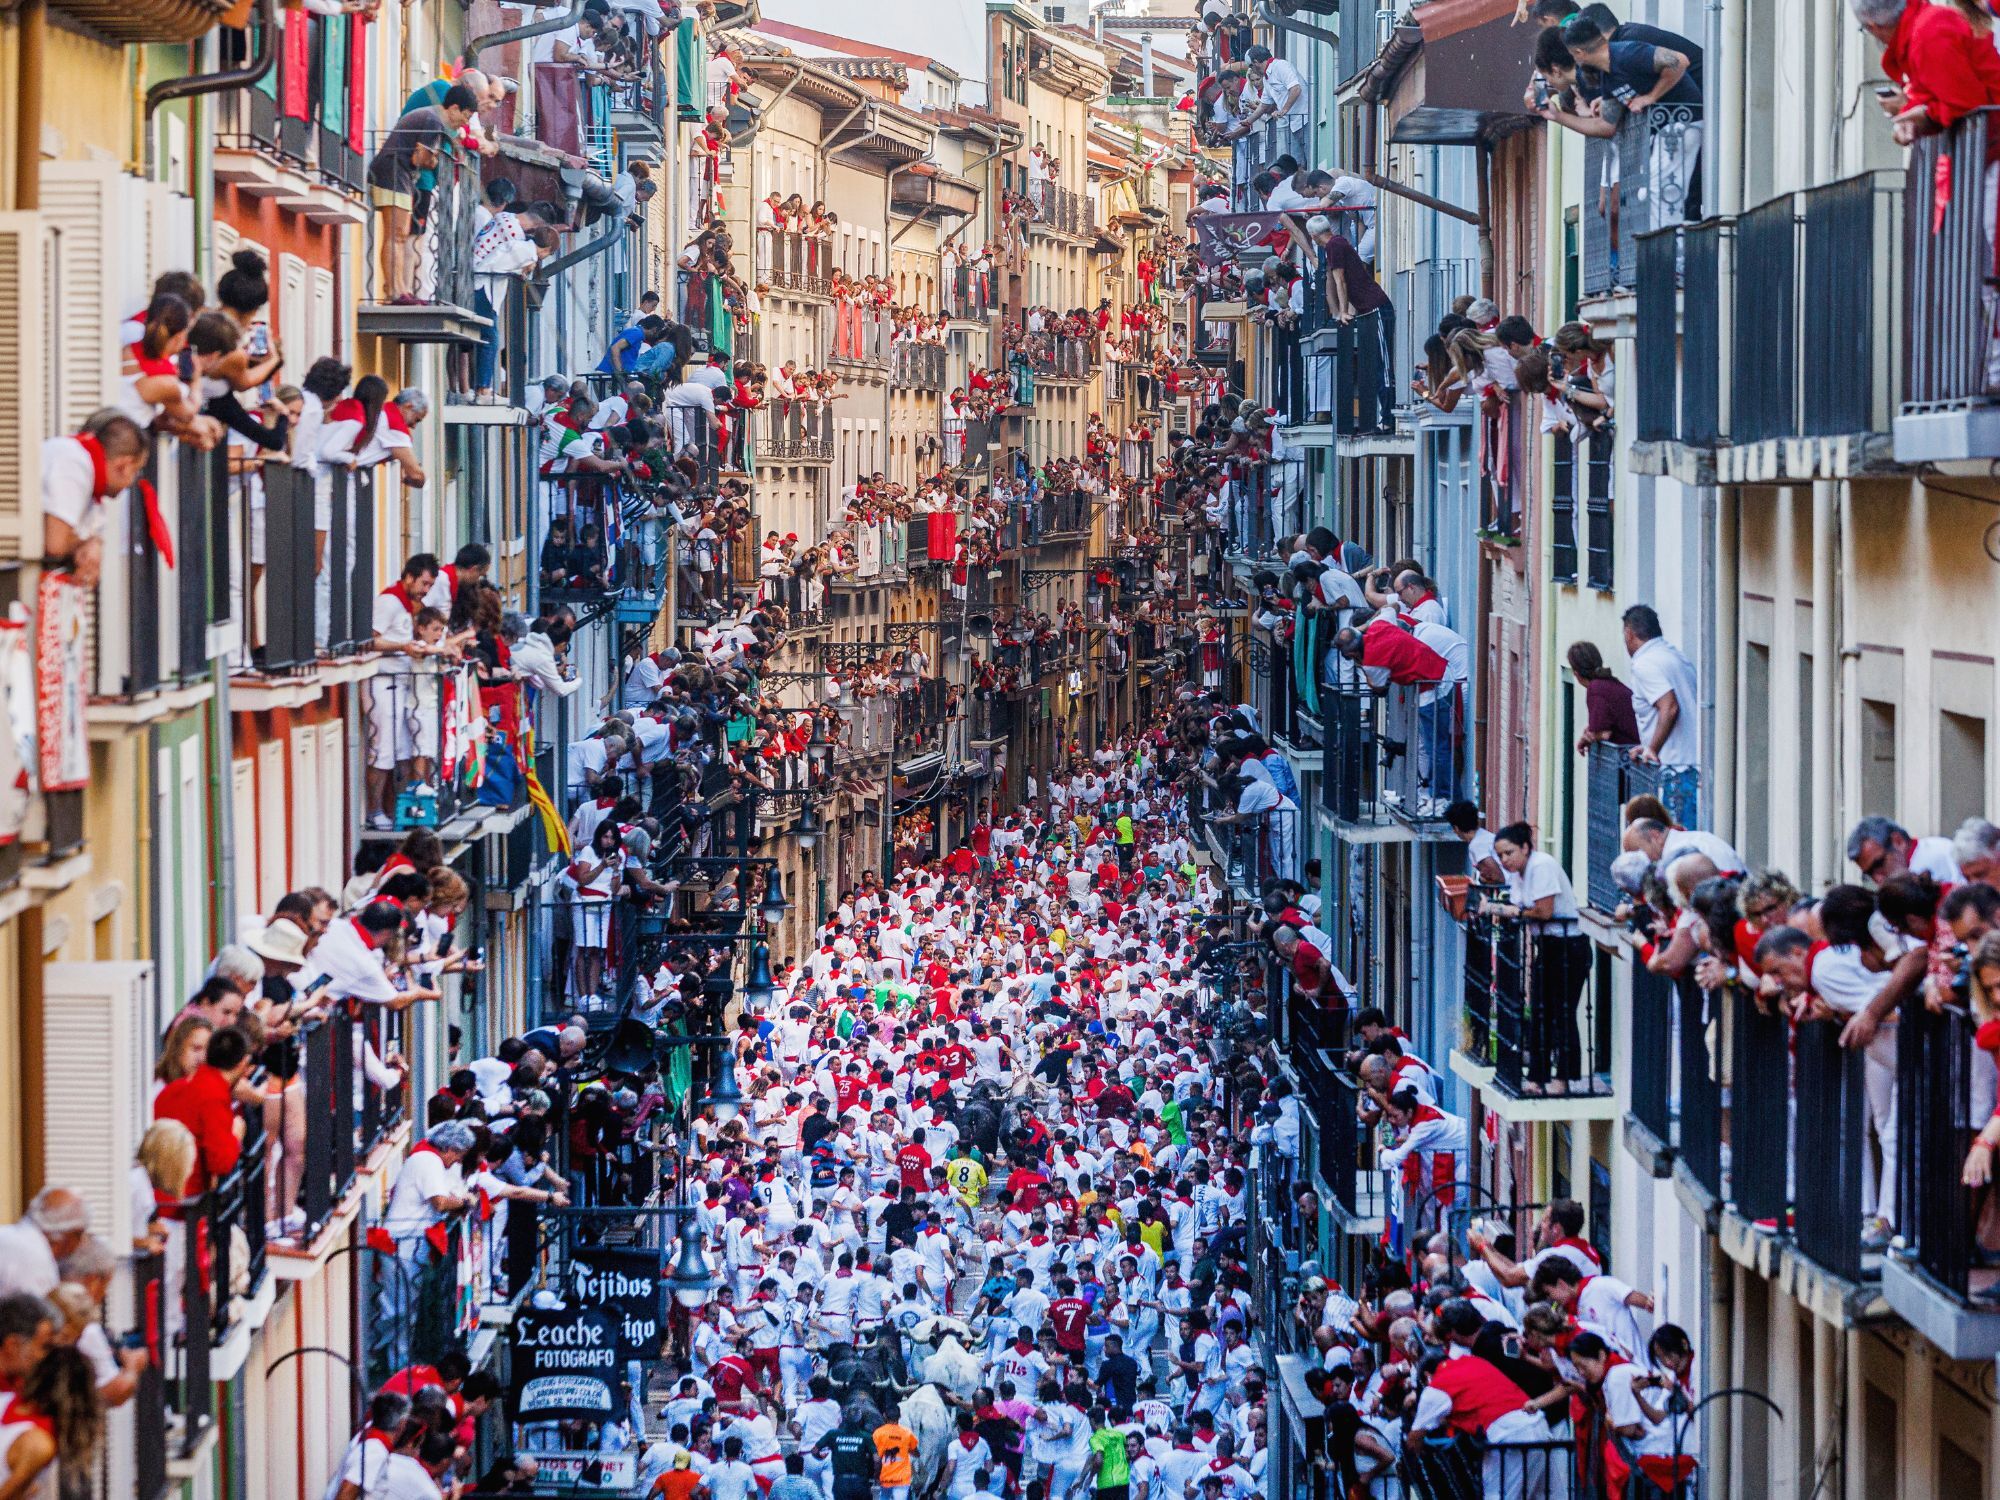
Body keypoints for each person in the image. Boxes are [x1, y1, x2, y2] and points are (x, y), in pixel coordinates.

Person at [1480, 823, 1592, 1090]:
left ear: (1526, 848)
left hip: (1569, 947)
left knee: (1562, 1012)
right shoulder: (1519, 874)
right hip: (1549, 946)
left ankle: (1563, 1079)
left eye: (1509, 853)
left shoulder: (1541, 866)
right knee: (1540, 1011)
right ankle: (1536, 1077)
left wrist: (1502, 910)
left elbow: (1544, 911)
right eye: (1500, 855)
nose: (1504, 860)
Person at [1620, 605, 1699, 766]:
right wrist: (1647, 747)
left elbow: (1669, 707)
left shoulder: (1644, 664)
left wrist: (1652, 749)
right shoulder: (1676, 656)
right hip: (1693, 763)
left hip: (1673, 768)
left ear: (1629, 634)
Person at [1567, 640, 1640, 753]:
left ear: (1576, 674)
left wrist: (1586, 738)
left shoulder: (1596, 689)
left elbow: (1603, 734)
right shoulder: (1610, 683)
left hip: (1628, 757)